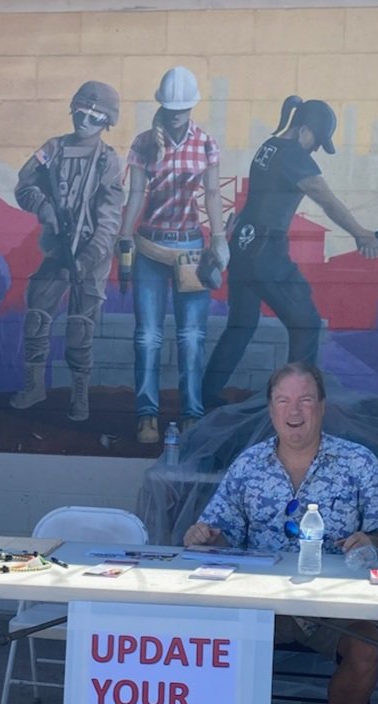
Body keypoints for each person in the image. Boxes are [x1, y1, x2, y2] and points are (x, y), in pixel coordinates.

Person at [184, 361, 378, 704]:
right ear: (270, 409)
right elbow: (217, 530)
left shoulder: (357, 462)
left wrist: (373, 539)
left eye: (305, 400)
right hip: (262, 605)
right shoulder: (249, 465)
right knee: (208, 639)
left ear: (322, 407)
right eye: (284, 400)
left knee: (367, 647)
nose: (295, 411)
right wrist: (204, 535)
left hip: (334, 607)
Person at [202, 95, 378, 409]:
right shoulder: (294, 157)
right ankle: (298, 404)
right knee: (306, 324)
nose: (315, 148)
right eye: (317, 141)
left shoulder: (269, 147)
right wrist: (361, 234)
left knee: (241, 326)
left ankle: (204, 398)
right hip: (267, 254)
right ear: (304, 129)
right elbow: (326, 200)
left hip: (244, 246)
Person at [118, 66, 229, 445]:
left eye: (182, 107)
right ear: (163, 106)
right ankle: (146, 415)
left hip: (190, 248)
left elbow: (212, 194)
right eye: (172, 107)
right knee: (147, 337)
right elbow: (134, 195)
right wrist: (123, 240)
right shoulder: (144, 142)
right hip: (149, 245)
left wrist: (217, 237)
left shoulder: (206, 144)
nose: (177, 113)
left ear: (192, 107)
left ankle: (191, 414)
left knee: (191, 337)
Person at [10, 81, 124, 422]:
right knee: (36, 316)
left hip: (91, 256)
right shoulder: (54, 149)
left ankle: (79, 395)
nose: (84, 121)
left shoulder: (107, 161)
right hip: (57, 251)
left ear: (106, 121)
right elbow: (24, 185)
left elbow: (109, 219)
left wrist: (88, 259)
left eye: (94, 116)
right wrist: (46, 209)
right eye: (80, 112)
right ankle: (34, 386)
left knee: (80, 328)